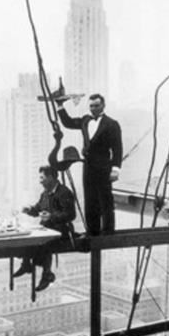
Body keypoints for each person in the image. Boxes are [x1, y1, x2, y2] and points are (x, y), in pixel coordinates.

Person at [56, 93, 122, 236]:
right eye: (91, 106)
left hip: (104, 166)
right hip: (88, 166)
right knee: (90, 198)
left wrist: (116, 169)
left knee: (105, 199)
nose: (93, 109)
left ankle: (108, 230)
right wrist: (60, 106)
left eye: (97, 105)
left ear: (103, 105)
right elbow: (67, 122)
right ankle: (92, 230)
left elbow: (117, 148)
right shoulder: (85, 120)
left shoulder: (112, 124)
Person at [13, 166, 76, 292]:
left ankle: (46, 274)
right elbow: (38, 209)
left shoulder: (64, 192)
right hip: (48, 228)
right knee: (30, 237)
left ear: (51, 177)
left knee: (45, 243)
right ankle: (26, 265)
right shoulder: (45, 193)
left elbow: (71, 214)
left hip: (61, 230)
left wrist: (52, 216)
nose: (40, 181)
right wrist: (29, 210)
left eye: (42, 178)